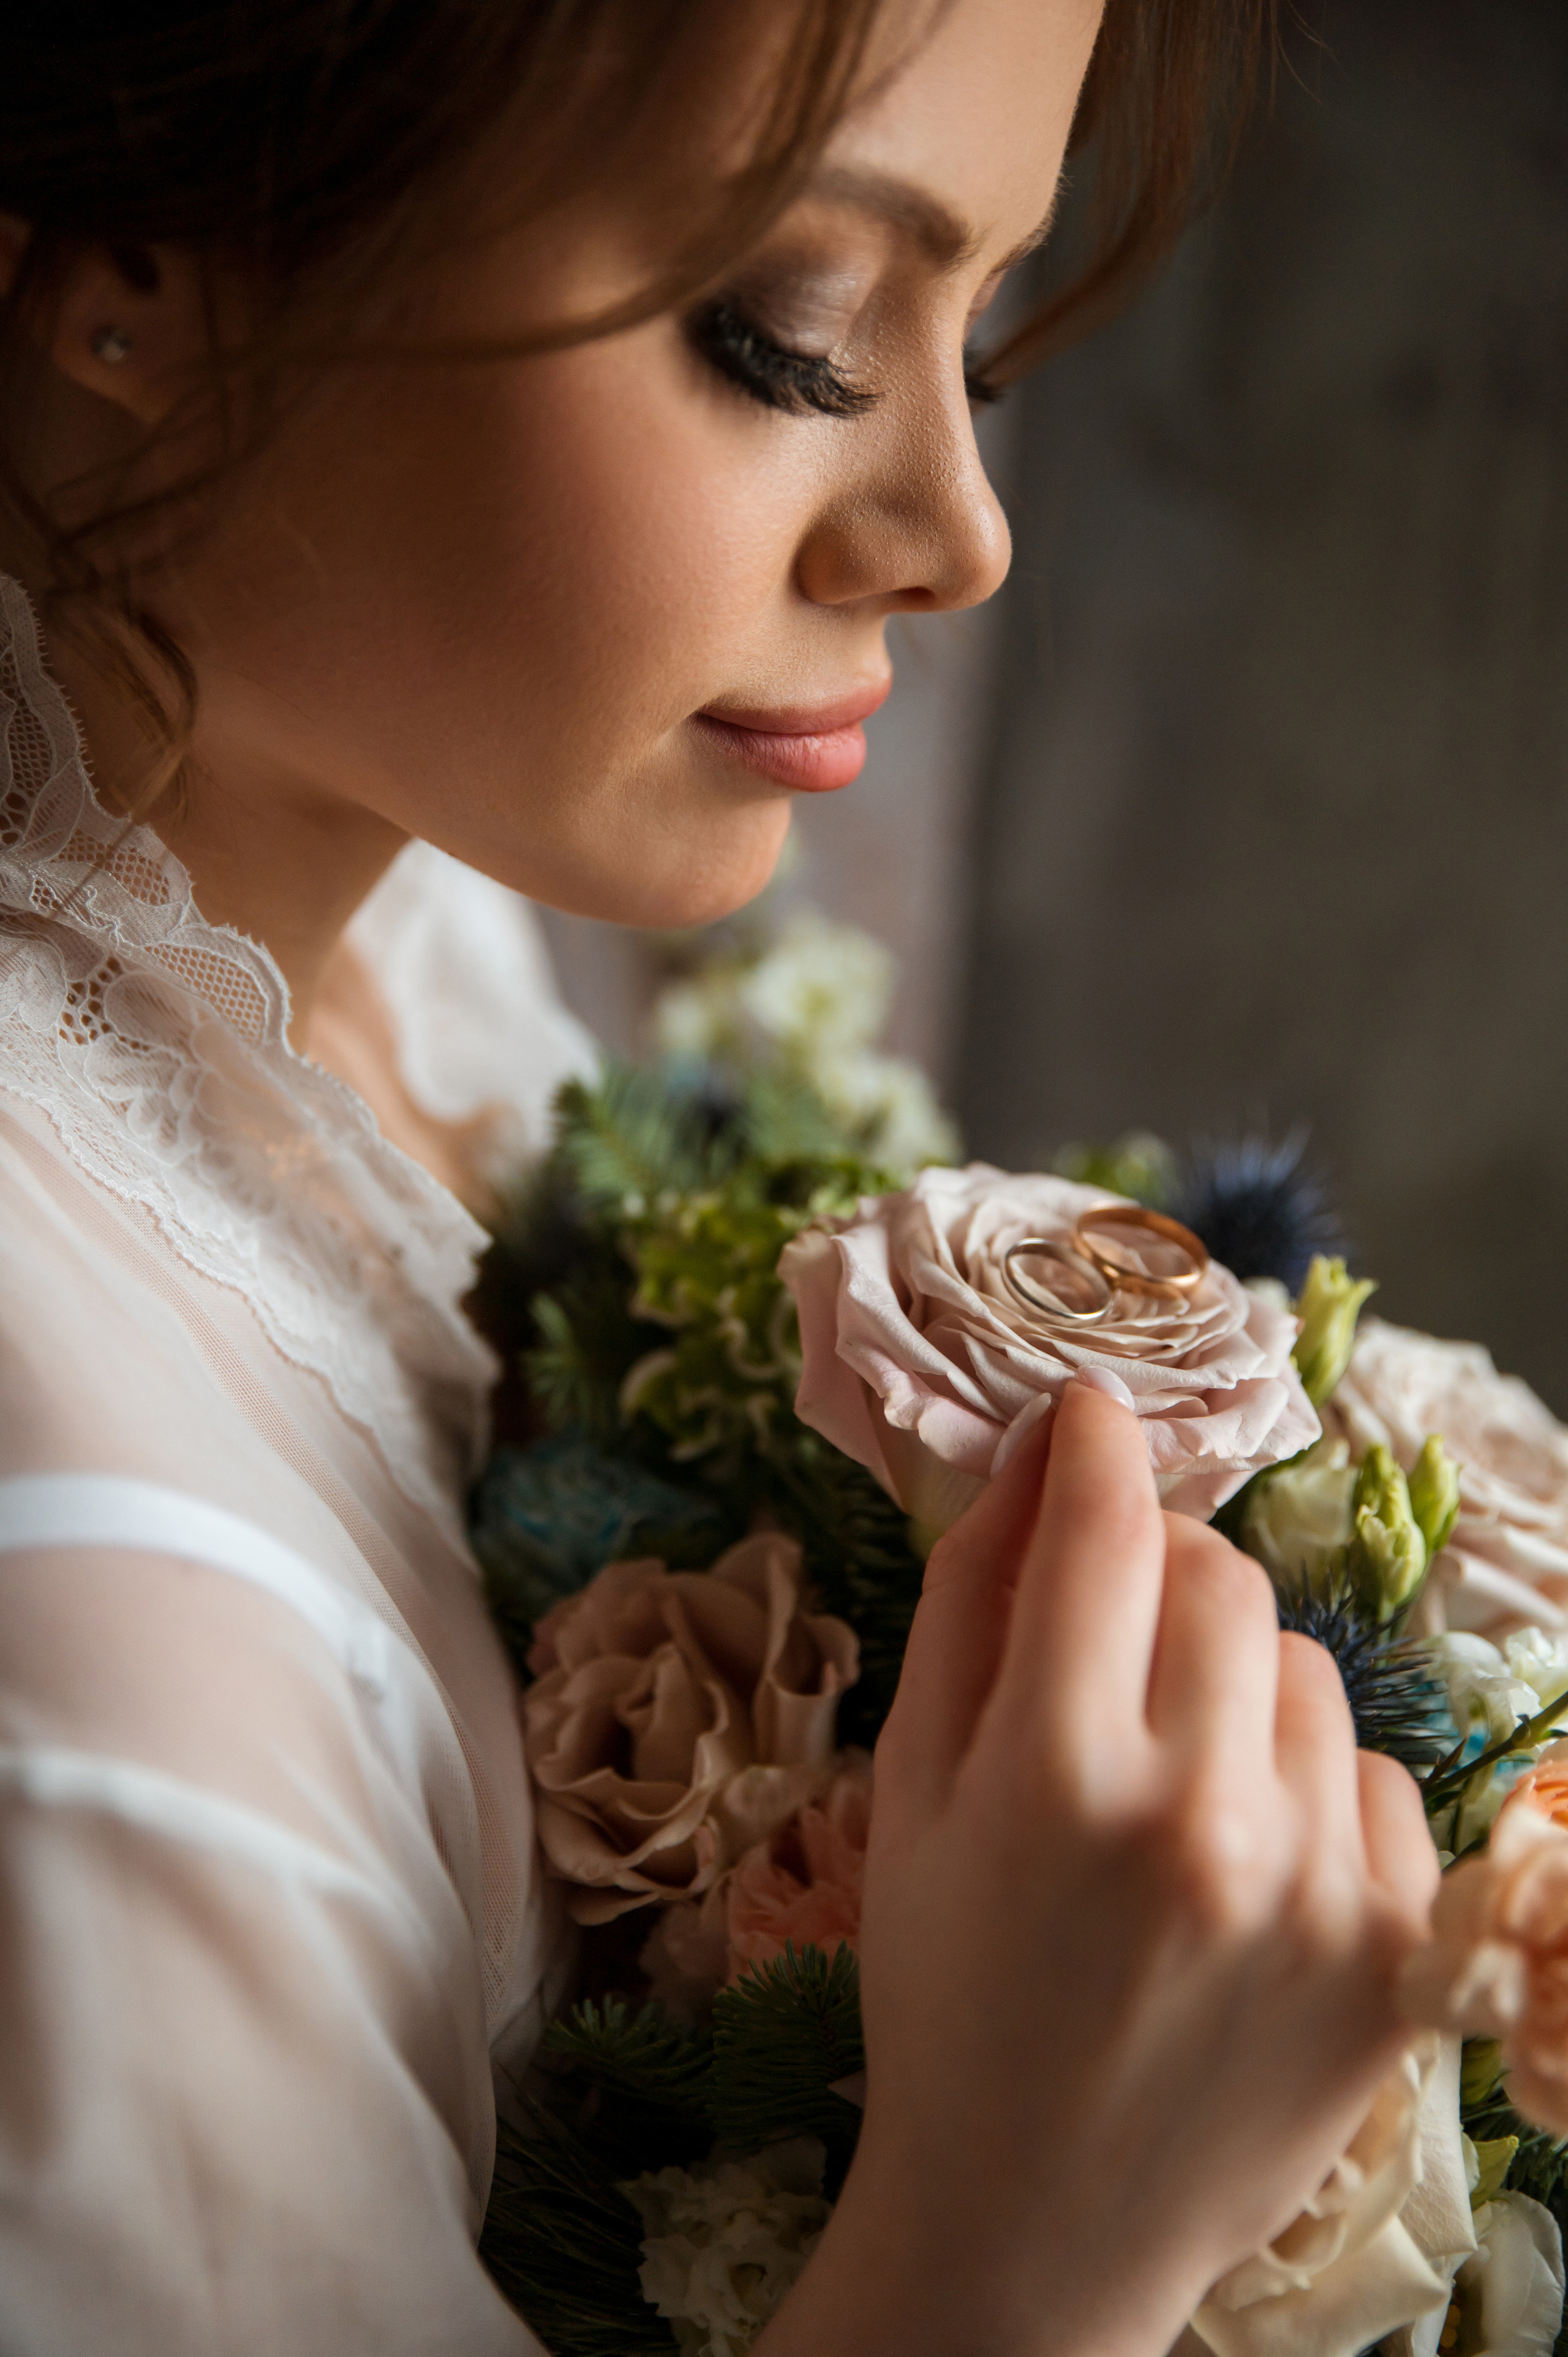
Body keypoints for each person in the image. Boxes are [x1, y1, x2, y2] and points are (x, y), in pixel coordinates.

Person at [0, 2, 1438, 2351]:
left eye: (976, 335)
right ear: (144, 251)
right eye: (785, 341)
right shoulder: (87, 1628)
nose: (960, 538)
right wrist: (1013, 2249)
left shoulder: (394, 930)